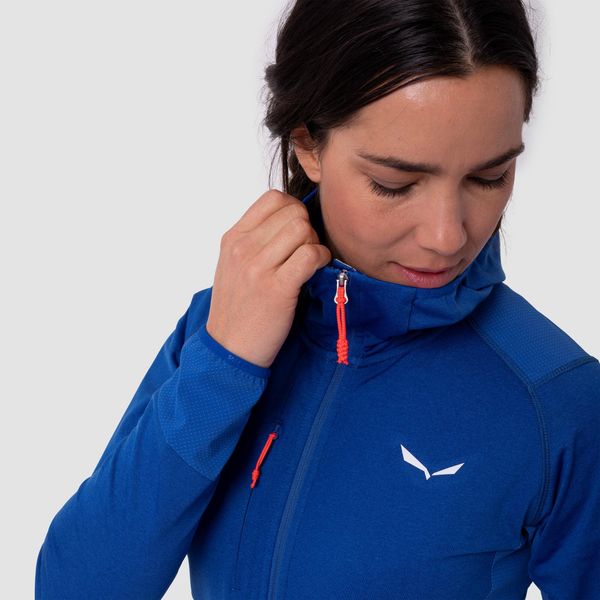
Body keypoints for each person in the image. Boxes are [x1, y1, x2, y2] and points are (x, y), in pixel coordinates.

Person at [35, 0, 600, 598]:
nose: (447, 236)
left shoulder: (556, 399)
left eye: (489, 177)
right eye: (395, 183)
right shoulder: (221, 328)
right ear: (308, 146)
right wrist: (225, 364)